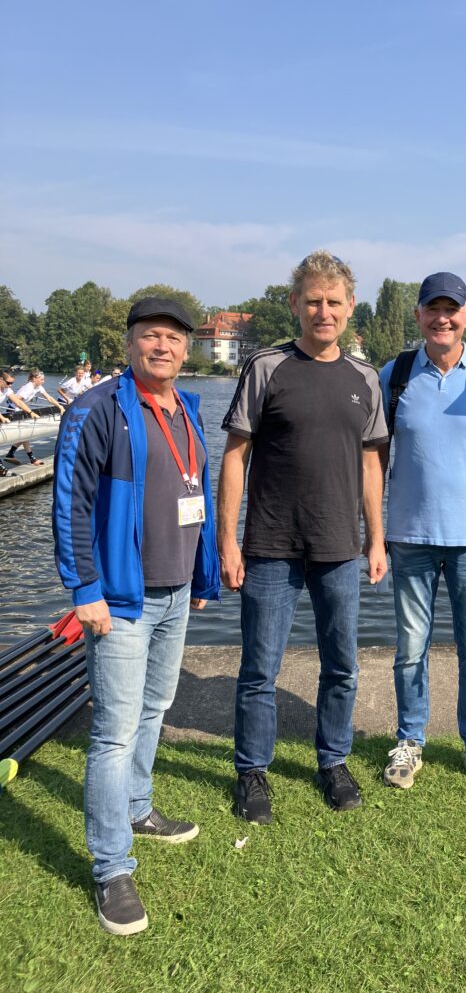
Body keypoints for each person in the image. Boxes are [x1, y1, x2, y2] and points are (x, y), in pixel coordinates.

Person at [52, 297, 220, 935]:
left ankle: (138, 809)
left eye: (175, 339)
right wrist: (83, 589)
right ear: (129, 345)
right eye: (151, 337)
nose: (164, 348)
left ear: (186, 350)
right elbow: (70, 500)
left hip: (176, 591)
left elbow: (193, 493)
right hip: (120, 598)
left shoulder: (188, 408)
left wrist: (199, 573)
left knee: (155, 708)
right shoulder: (97, 409)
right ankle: (110, 867)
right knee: (114, 731)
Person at [218, 251, 388, 823]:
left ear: (349, 307)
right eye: (312, 300)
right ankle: (252, 772)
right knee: (259, 668)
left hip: (339, 547)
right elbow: (235, 457)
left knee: (341, 664)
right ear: (295, 304)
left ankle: (333, 760)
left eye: (333, 301)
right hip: (269, 545)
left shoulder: (365, 378)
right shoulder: (267, 368)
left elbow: (371, 466)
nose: (323, 311)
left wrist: (377, 539)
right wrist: (228, 540)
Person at [378, 272, 466, 791]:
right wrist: (375, 532)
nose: (442, 318)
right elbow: (378, 458)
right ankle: (410, 740)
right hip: (409, 536)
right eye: (432, 309)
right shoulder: (395, 374)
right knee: (410, 646)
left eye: (451, 309)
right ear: (418, 316)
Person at [4, 369, 63, 464]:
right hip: (14, 410)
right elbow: (18, 401)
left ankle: (12, 454)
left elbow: (49, 397)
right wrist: (29, 411)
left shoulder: (38, 387)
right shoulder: (29, 387)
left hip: (22, 410)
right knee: (25, 434)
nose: (43, 381)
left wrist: (59, 406)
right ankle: (30, 458)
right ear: (34, 379)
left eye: (43, 379)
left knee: (24, 434)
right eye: (41, 379)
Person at [0, 369, 43, 464]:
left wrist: (30, 412)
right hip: (12, 412)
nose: (10, 385)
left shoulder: (7, 389)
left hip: (15, 411)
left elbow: (18, 401)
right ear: (0, 380)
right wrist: (2, 418)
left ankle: (11, 456)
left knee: (24, 433)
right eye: (8, 383)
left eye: (12, 383)